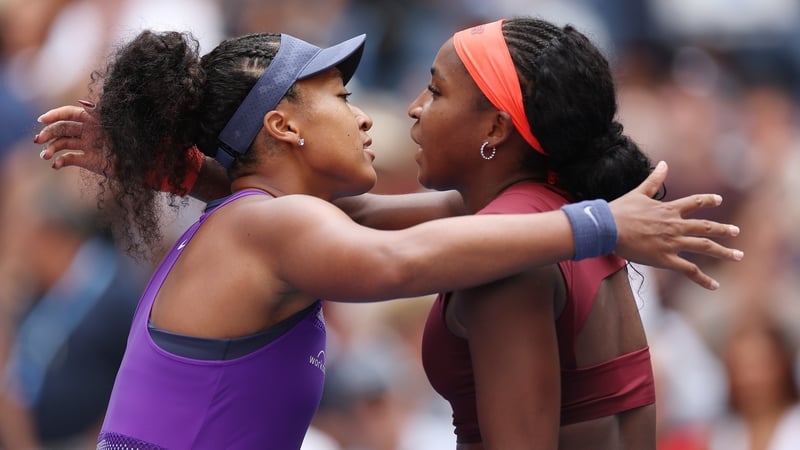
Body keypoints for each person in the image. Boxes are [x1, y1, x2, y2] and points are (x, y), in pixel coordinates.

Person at [34, 27, 741, 450]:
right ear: (282, 126)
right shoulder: (271, 224)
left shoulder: (264, 220)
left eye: (436, 91)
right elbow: (396, 258)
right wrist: (601, 225)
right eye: (341, 98)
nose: (375, 116)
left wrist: (187, 174)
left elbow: (397, 221)